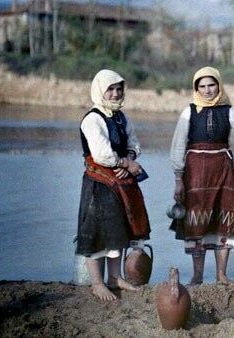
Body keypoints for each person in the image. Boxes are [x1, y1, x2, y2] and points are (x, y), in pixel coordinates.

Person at [170, 66, 234, 285]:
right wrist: (178, 178)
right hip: (195, 173)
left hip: (223, 172)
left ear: (219, 85)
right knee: (196, 222)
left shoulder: (229, 112)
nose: (208, 90)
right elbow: (178, 146)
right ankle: (197, 275)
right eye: (202, 86)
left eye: (212, 85)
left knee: (223, 219)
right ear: (196, 88)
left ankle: (221, 275)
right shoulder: (188, 113)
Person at [76, 69, 151, 301]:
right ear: (100, 90)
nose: (116, 93)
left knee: (117, 229)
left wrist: (128, 159)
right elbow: (101, 155)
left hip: (120, 179)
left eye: (119, 89)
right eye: (110, 89)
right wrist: (125, 163)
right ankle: (98, 283)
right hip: (99, 181)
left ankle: (115, 278)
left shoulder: (121, 117)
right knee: (97, 232)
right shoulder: (93, 119)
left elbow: (135, 143)